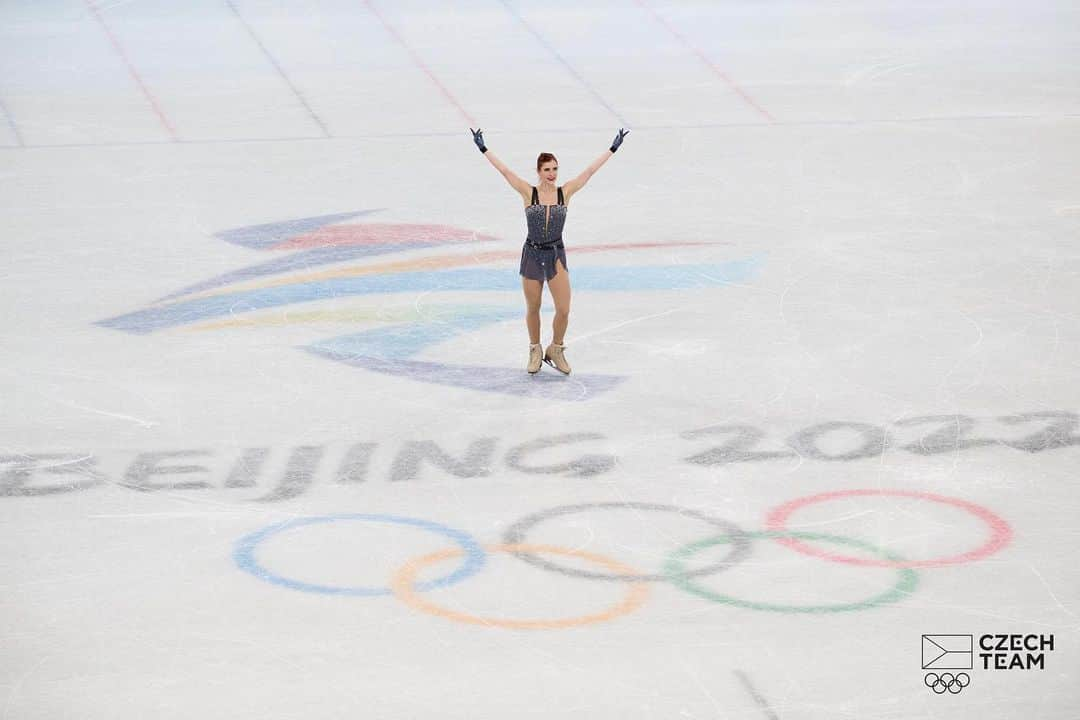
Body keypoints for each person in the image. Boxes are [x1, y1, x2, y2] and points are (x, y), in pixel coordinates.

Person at [470, 127, 630, 374]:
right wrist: (483, 148)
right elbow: (504, 171)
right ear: (539, 171)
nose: (552, 174)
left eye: (555, 169)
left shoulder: (565, 192)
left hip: (556, 255)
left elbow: (589, 172)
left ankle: (556, 348)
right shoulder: (528, 192)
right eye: (547, 169)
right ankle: (535, 349)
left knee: (564, 309)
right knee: (533, 307)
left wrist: (613, 148)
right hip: (533, 255)